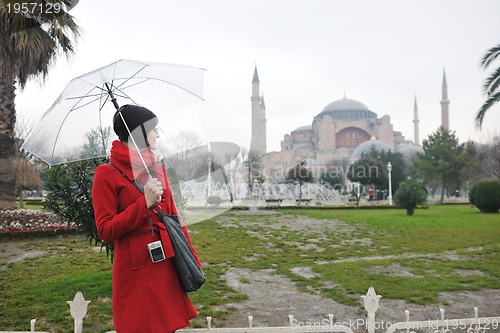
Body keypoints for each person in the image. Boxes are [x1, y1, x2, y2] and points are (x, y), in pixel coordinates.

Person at [92, 104, 201, 333]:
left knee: (168, 327)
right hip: (135, 269)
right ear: (138, 132)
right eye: (154, 129)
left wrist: (190, 258)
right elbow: (105, 229)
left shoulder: (157, 169)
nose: (158, 134)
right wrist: (144, 203)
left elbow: (174, 217)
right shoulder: (106, 173)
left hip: (166, 260)